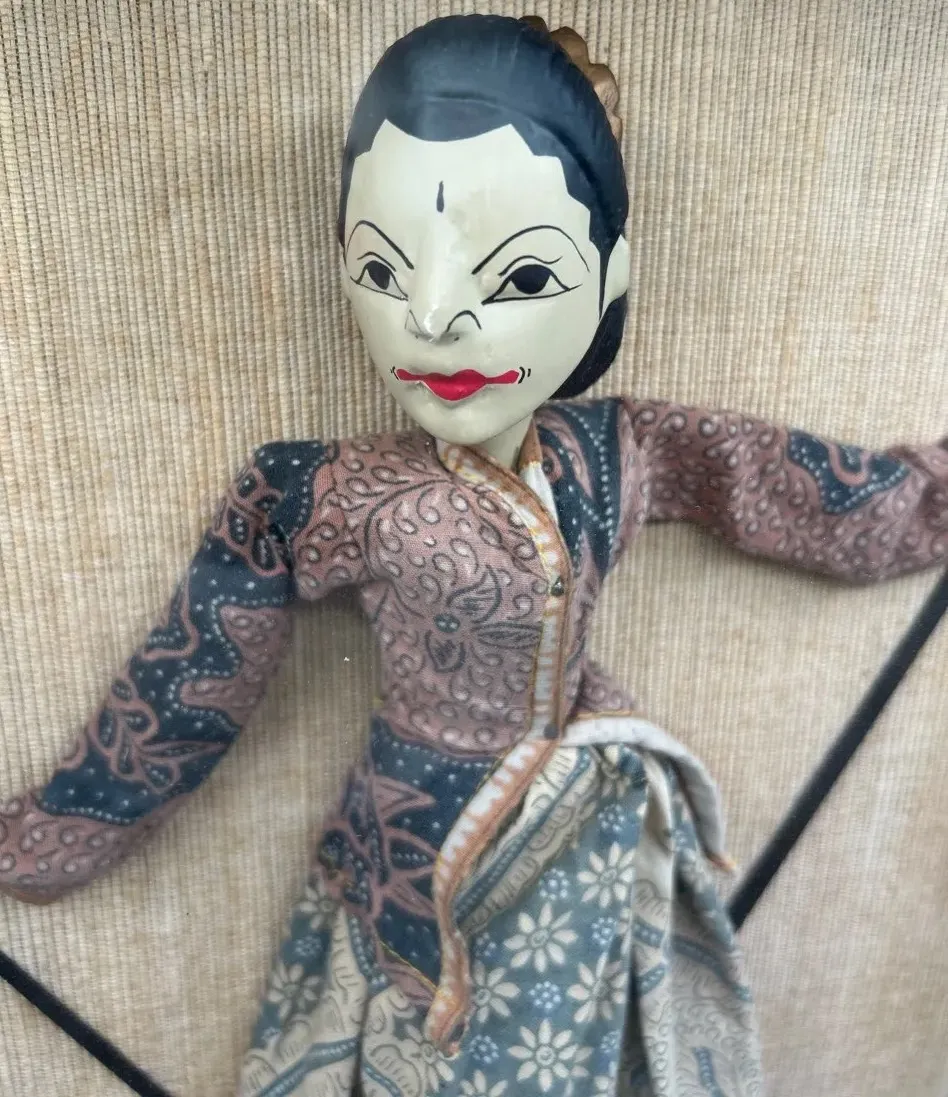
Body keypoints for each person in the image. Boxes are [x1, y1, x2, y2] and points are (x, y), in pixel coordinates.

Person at [1, 15, 945, 1097]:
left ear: (612, 273)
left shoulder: (624, 449)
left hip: (578, 826)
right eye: (381, 266)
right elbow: (190, 674)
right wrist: (47, 836)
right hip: (415, 833)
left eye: (524, 275)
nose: (436, 317)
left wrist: (930, 498)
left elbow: (795, 486)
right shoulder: (316, 491)